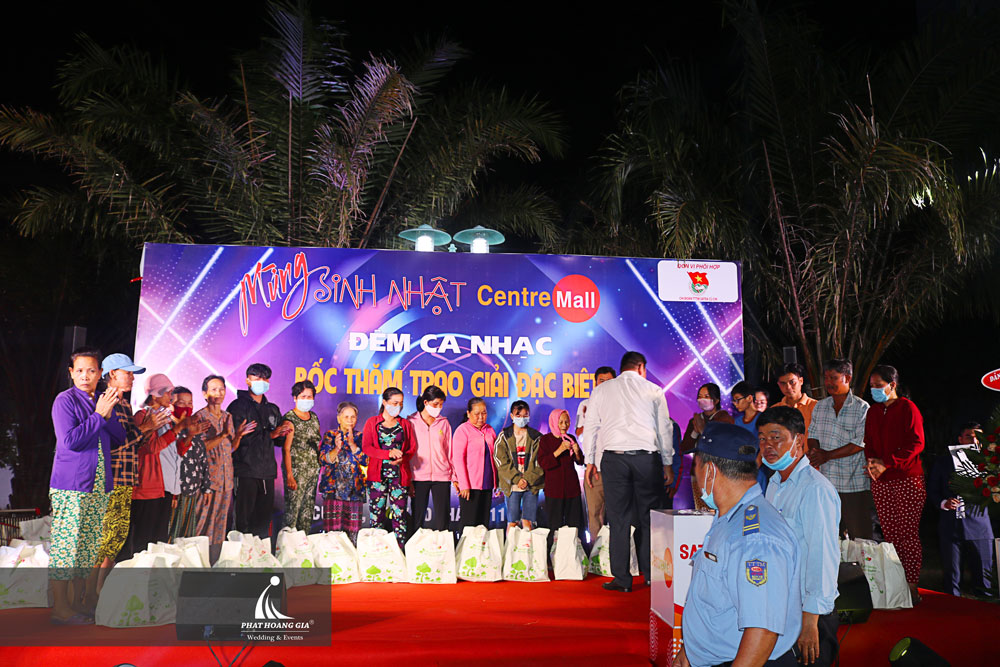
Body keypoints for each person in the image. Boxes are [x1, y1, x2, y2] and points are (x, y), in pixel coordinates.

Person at [675, 422, 801, 667]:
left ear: (709, 470)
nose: (695, 475)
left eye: (696, 466)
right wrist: (691, 651)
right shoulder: (730, 518)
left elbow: (762, 631)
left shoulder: (756, 539)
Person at [583, 351, 674, 593]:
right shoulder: (653, 390)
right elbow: (664, 428)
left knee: (618, 518)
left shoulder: (602, 389)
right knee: (648, 517)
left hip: (614, 458)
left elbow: (591, 427)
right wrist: (667, 462)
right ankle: (651, 575)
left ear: (622, 367)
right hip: (646, 459)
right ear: (641, 367)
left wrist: (590, 461)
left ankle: (622, 579)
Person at [759, 407, 841, 667]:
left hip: (809, 614)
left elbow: (823, 558)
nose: (768, 446)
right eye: (762, 439)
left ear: (799, 441)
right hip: (781, 607)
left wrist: (810, 621)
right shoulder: (774, 484)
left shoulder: (815, 489)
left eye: (776, 438)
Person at [49, 347, 126, 624]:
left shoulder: (102, 400)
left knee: (87, 546)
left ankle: (77, 603)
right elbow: (70, 441)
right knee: (66, 545)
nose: (85, 376)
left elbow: (119, 438)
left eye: (91, 371)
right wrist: (98, 415)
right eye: (79, 370)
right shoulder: (65, 400)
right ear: (71, 373)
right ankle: (60, 607)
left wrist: (107, 411)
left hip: (99, 485)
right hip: (71, 485)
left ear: (100, 374)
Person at [864, 365, 926, 604]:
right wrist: (872, 464)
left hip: (907, 479)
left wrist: (886, 463)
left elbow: (917, 443)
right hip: (881, 481)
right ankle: (896, 584)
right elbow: (869, 442)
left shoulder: (908, 408)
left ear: (892, 385)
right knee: (890, 536)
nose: (874, 390)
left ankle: (911, 586)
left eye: (878, 385)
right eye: (872, 386)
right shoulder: (873, 411)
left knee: (907, 535)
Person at [125, 374, 197, 555]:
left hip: (160, 487)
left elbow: (175, 451)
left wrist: (187, 434)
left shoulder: (165, 417)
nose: (171, 397)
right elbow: (151, 448)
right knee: (143, 542)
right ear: (155, 394)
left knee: (159, 540)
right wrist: (177, 429)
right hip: (144, 486)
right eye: (168, 393)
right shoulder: (142, 416)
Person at [98, 353, 158, 568]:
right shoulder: (104, 402)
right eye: (128, 373)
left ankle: (100, 584)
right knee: (105, 536)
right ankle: (88, 584)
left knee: (118, 535)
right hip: (110, 479)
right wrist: (145, 428)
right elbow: (113, 445)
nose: (133, 378)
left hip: (126, 477)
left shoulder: (124, 404)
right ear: (112, 374)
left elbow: (133, 443)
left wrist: (149, 429)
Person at [806, 358, 872, 540]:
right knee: (829, 537)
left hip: (853, 484)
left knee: (860, 538)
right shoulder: (820, 406)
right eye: (826, 378)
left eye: (833, 378)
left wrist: (827, 455)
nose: (828, 382)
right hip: (825, 483)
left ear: (847, 378)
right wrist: (815, 453)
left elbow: (860, 443)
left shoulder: (862, 408)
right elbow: (812, 435)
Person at [928, 422, 995, 598]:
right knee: (952, 579)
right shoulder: (943, 463)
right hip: (951, 527)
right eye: (969, 436)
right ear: (960, 439)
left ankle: (985, 611)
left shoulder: (990, 463)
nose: (974, 440)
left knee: (984, 580)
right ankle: (953, 612)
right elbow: (932, 490)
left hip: (980, 527)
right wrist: (944, 503)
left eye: (978, 437)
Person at [227, 363, 291, 546]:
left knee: (262, 522)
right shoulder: (237, 406)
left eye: (264, 378)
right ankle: (238, 558)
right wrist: (270, 434)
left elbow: (277, 440)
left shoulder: (272, 409)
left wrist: (284, 432)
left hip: (267, 472)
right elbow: (235, 440)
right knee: (242, 522)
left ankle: (260, 558)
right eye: (256, 378)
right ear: (248, 380)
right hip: (245, 471)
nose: (261, 381)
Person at [194, 374, 251, 563]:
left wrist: (238, 436)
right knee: (203, 523)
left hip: (226, 480)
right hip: (207, 481)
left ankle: (214, 563)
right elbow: (199, 448)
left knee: (220, 524)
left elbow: (230, 447)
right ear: (204, 393)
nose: (218, 393)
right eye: (213, 389)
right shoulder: (199, 417)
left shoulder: (228, 417)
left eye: (221, 389)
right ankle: (196, 563)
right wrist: (223, 434)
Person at [362, 387, 417, 547]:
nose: (398, 406)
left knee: (400, 517)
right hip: (377, 478)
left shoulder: (405, 424)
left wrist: (402, 459)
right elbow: (367, 447)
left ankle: (399, 551)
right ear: (385, 402)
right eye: (394, 403)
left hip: (399, 477)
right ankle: (376, 551)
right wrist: (388, 454)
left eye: (401, 403)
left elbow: (412, 448)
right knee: (376, 516)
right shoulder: (372, 422)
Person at [575, 366, 616, 544]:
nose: (605, 385)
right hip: (594, 469)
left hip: (617, 468)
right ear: (595, 383)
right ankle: (596, 553)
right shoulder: (585, 405)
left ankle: (617, 553)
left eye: (609, 381)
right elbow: (579, 433)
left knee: (618, 514)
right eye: (601, 381)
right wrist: (592, 417)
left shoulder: (621, 406)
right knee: (594, 514)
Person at [319, 401, 367, 543]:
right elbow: (323, 460)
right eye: (346, 417)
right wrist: (337, 448)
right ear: (339, 418)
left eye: (353, 417)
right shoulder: (330, 435)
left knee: (352, 536)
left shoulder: (361, 437)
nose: (350, 420)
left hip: (354, 492)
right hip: (333, 491)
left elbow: (366, 461)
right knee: (333, 537)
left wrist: (352, 444)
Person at [408, 385, 454, 532]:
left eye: (441, 404)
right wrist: (408, 478)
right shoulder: (411, 422)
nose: (438, 408)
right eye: (435, 404)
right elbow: (407, 452)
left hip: (442, 476)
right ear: (425, 402)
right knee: (417, 519)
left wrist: (454, 476)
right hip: (418, 476)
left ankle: (443, 545)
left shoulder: (444, 423)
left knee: (443, 520)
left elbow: (450, 451)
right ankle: (416, 545)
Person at [494, 401, 544, 530]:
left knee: (528, 523)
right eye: (518, 415)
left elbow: (540, 462)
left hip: (531, 485)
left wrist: (526, 479)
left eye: (525, 415)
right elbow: (501, 461)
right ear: (512, 416)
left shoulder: (536, 437)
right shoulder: (504, 436)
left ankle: (528, 544)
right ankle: (511, 544)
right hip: (512, 486)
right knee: (512, 523)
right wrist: (517, 479)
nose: (522, 418)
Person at [167, 386, 210, 539]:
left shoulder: (194, 427)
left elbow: (202, 458)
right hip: (174, 492)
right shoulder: (168, 427)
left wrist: (206, 487)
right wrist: (172, 494)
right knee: (170, 534)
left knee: (186, 537)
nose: (186, 407)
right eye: (181, 403)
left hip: (192, 489)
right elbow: (170, 461)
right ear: (171, 404)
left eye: (190, 403)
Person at [452, 397, 499, 529]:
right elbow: (458, 459)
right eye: (476, 414)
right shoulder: (463, 430)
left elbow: (495, 456)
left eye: (484, 413)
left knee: (483, 524)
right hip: (470, 486)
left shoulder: (490, 430)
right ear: (468, 413)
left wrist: (497, 482)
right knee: (469, 524)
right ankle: (466, 544)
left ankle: (481, 544)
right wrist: (464, 484)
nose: (481, 417)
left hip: (487, 484)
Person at [281, 380, 322, 532]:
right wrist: (289, 475)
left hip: (313, 470)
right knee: (293, 510)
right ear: (295, 398)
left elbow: (317, 442)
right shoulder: (289, 419)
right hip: (296, 471)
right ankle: (287, 543)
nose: (306, 399)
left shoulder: (314, 417)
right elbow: (286, 449)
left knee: (307, 510)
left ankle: (303, 542)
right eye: (303, 396)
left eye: (309, 396)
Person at [538, 408, 584, 531]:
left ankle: (574, 544)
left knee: (574, 525)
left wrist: (577, 451)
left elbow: (580, 461)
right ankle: (554, 544)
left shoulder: (570, 438)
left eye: (567, 422)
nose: (564, 425)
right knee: (554, 526)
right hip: (554, 490)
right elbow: (543, 463)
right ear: (554, 422)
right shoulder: (545, 440)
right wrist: (560, 450)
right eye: (561, 422)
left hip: (572, 489)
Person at [680, 382, 734, 453]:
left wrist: (702, 430)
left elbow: (722, 446)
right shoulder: (695, 420)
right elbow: (685, 449)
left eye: (706, 396)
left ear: (716, 400)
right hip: (698, 459)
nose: (702, 399)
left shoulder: (725, 419)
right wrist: (695, 432)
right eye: (700, 396)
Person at [774, 363, 818, 432]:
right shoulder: (774, 411)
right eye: (783, 383)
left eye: (792, 382)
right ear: (778, 385)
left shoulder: (816, 408)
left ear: (801, 381)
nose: (788, 387)